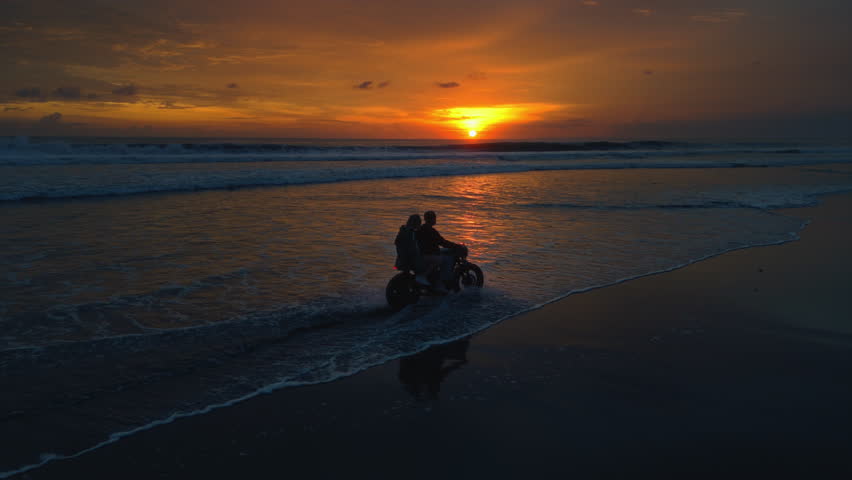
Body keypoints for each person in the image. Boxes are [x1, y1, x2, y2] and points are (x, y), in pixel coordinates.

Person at [416, 210, 459, 293]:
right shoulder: (431, 231)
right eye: (434, 218)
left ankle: (435, 279)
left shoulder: (421, 228)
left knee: (444, 253)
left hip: (424, 252)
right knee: (448, 260)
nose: (435, 219)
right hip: (428, 254)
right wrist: (456, 246)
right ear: (431, 219)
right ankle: (441, 283)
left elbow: (440, 242)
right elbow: (442, 242)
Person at [394, 214, 430, 286]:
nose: (420, 224)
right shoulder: (411, 233)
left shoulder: (403, 230)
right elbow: (413, 249)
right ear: (416, 223)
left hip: (401, 259)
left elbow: (397, 243)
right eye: (419, 223)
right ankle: (422, 278)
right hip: (410, 260)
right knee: (430, 263)